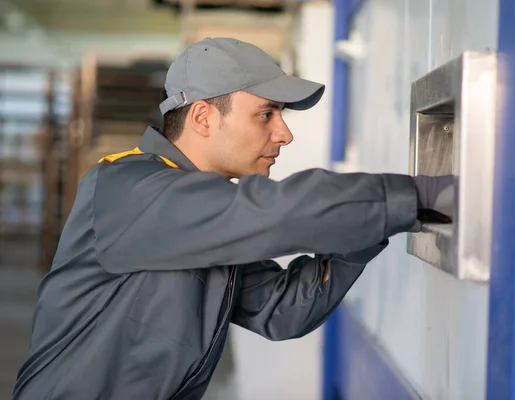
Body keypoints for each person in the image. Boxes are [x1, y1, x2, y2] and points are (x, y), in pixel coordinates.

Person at [13, 37, 453, 399]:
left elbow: (283, 311)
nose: (284, 133)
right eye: (266, 113)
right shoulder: (130, 189)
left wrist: (371, 227)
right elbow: (273, 213)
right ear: (203, 117)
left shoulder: (203, 216)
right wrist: (416, 196)